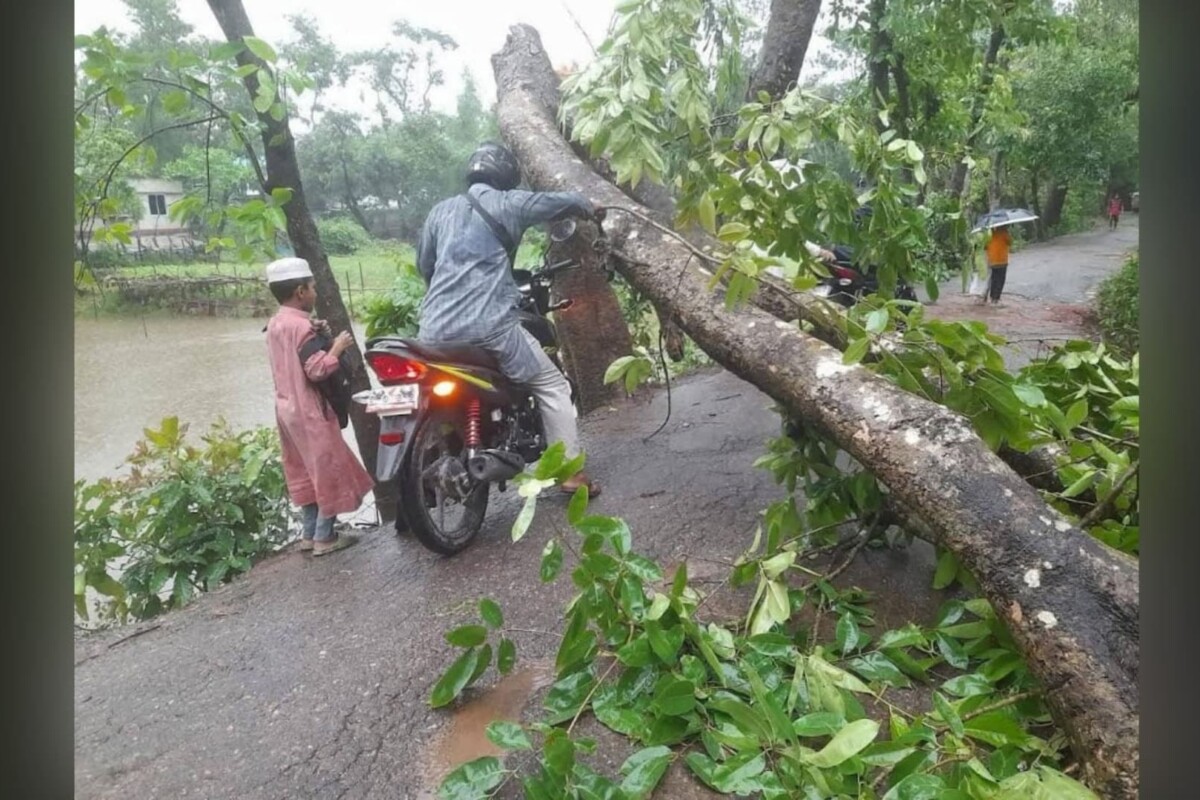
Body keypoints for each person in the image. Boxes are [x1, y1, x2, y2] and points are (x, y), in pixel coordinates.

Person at [415, 142, 604, 496]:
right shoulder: (508, 202)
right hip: (488, 326)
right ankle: (570, 474)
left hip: (432, 330)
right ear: (506, 175)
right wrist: (587, 205)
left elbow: (425, 266)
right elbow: (555, 202)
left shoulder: (439, 212)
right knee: (552, 386)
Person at [264, 257, 374, 556]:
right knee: (328, 469)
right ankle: (325, 537)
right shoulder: (301, 328)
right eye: (312, 288)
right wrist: (337, 346)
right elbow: (315, 370)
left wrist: (315, 332)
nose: (314, 293)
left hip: (287, 410)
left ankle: (309, 533)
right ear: (300, 291)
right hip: (309, 409)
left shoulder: (276, 323)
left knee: (304, 468)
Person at [984, 224, 1012, 305]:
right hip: (1002, 261)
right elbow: (1010, 242)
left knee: (994, 279)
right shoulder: (1004, 233)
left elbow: (985, 246)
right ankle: (996, 298)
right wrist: (1007, 233)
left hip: (992, 260)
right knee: (1000, 280)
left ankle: (993, 297)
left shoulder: (990, 235)